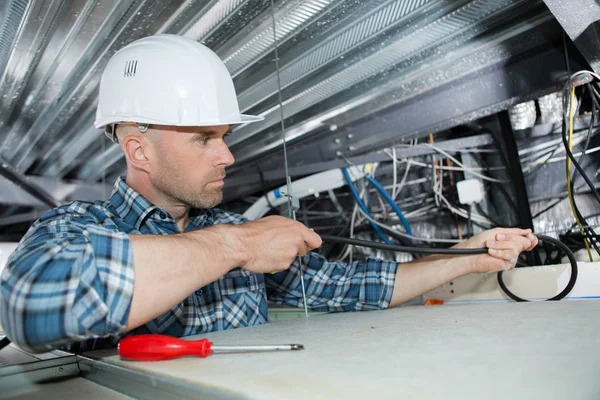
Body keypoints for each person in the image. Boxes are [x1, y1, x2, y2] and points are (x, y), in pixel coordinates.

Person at [0, 35, 537, 353]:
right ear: (139, 150)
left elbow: (357, 286)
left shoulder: (231, 228)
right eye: (204, 138)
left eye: (225, 137)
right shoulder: (79, 226)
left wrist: (467, 256)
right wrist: (237, 246)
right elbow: (27, 308)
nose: (226, 156)